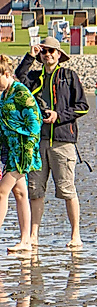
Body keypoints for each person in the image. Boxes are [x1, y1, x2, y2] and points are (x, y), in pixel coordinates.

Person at [15, 37, 88, 250]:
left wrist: (59, 115)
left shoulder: (69, 76)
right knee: (35, 190)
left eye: (51, 51)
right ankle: (33, 235)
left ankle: (75, 235)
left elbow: (83, 106)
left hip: (63, 141)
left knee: (67, 189)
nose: (47, 55)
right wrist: (30, 56)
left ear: (59, 54)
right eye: (44, 52)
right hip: (38, 141)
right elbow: (19, 78)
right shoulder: (34, 78)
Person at [0, 55, 42, 254]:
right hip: (10, 151)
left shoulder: (21, 92)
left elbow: (35, 122)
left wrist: (28, 151)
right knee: (20, 193)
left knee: (2, 192)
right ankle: (26, 240)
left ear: (7, 74)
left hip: (23, 152)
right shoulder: (4, 94)